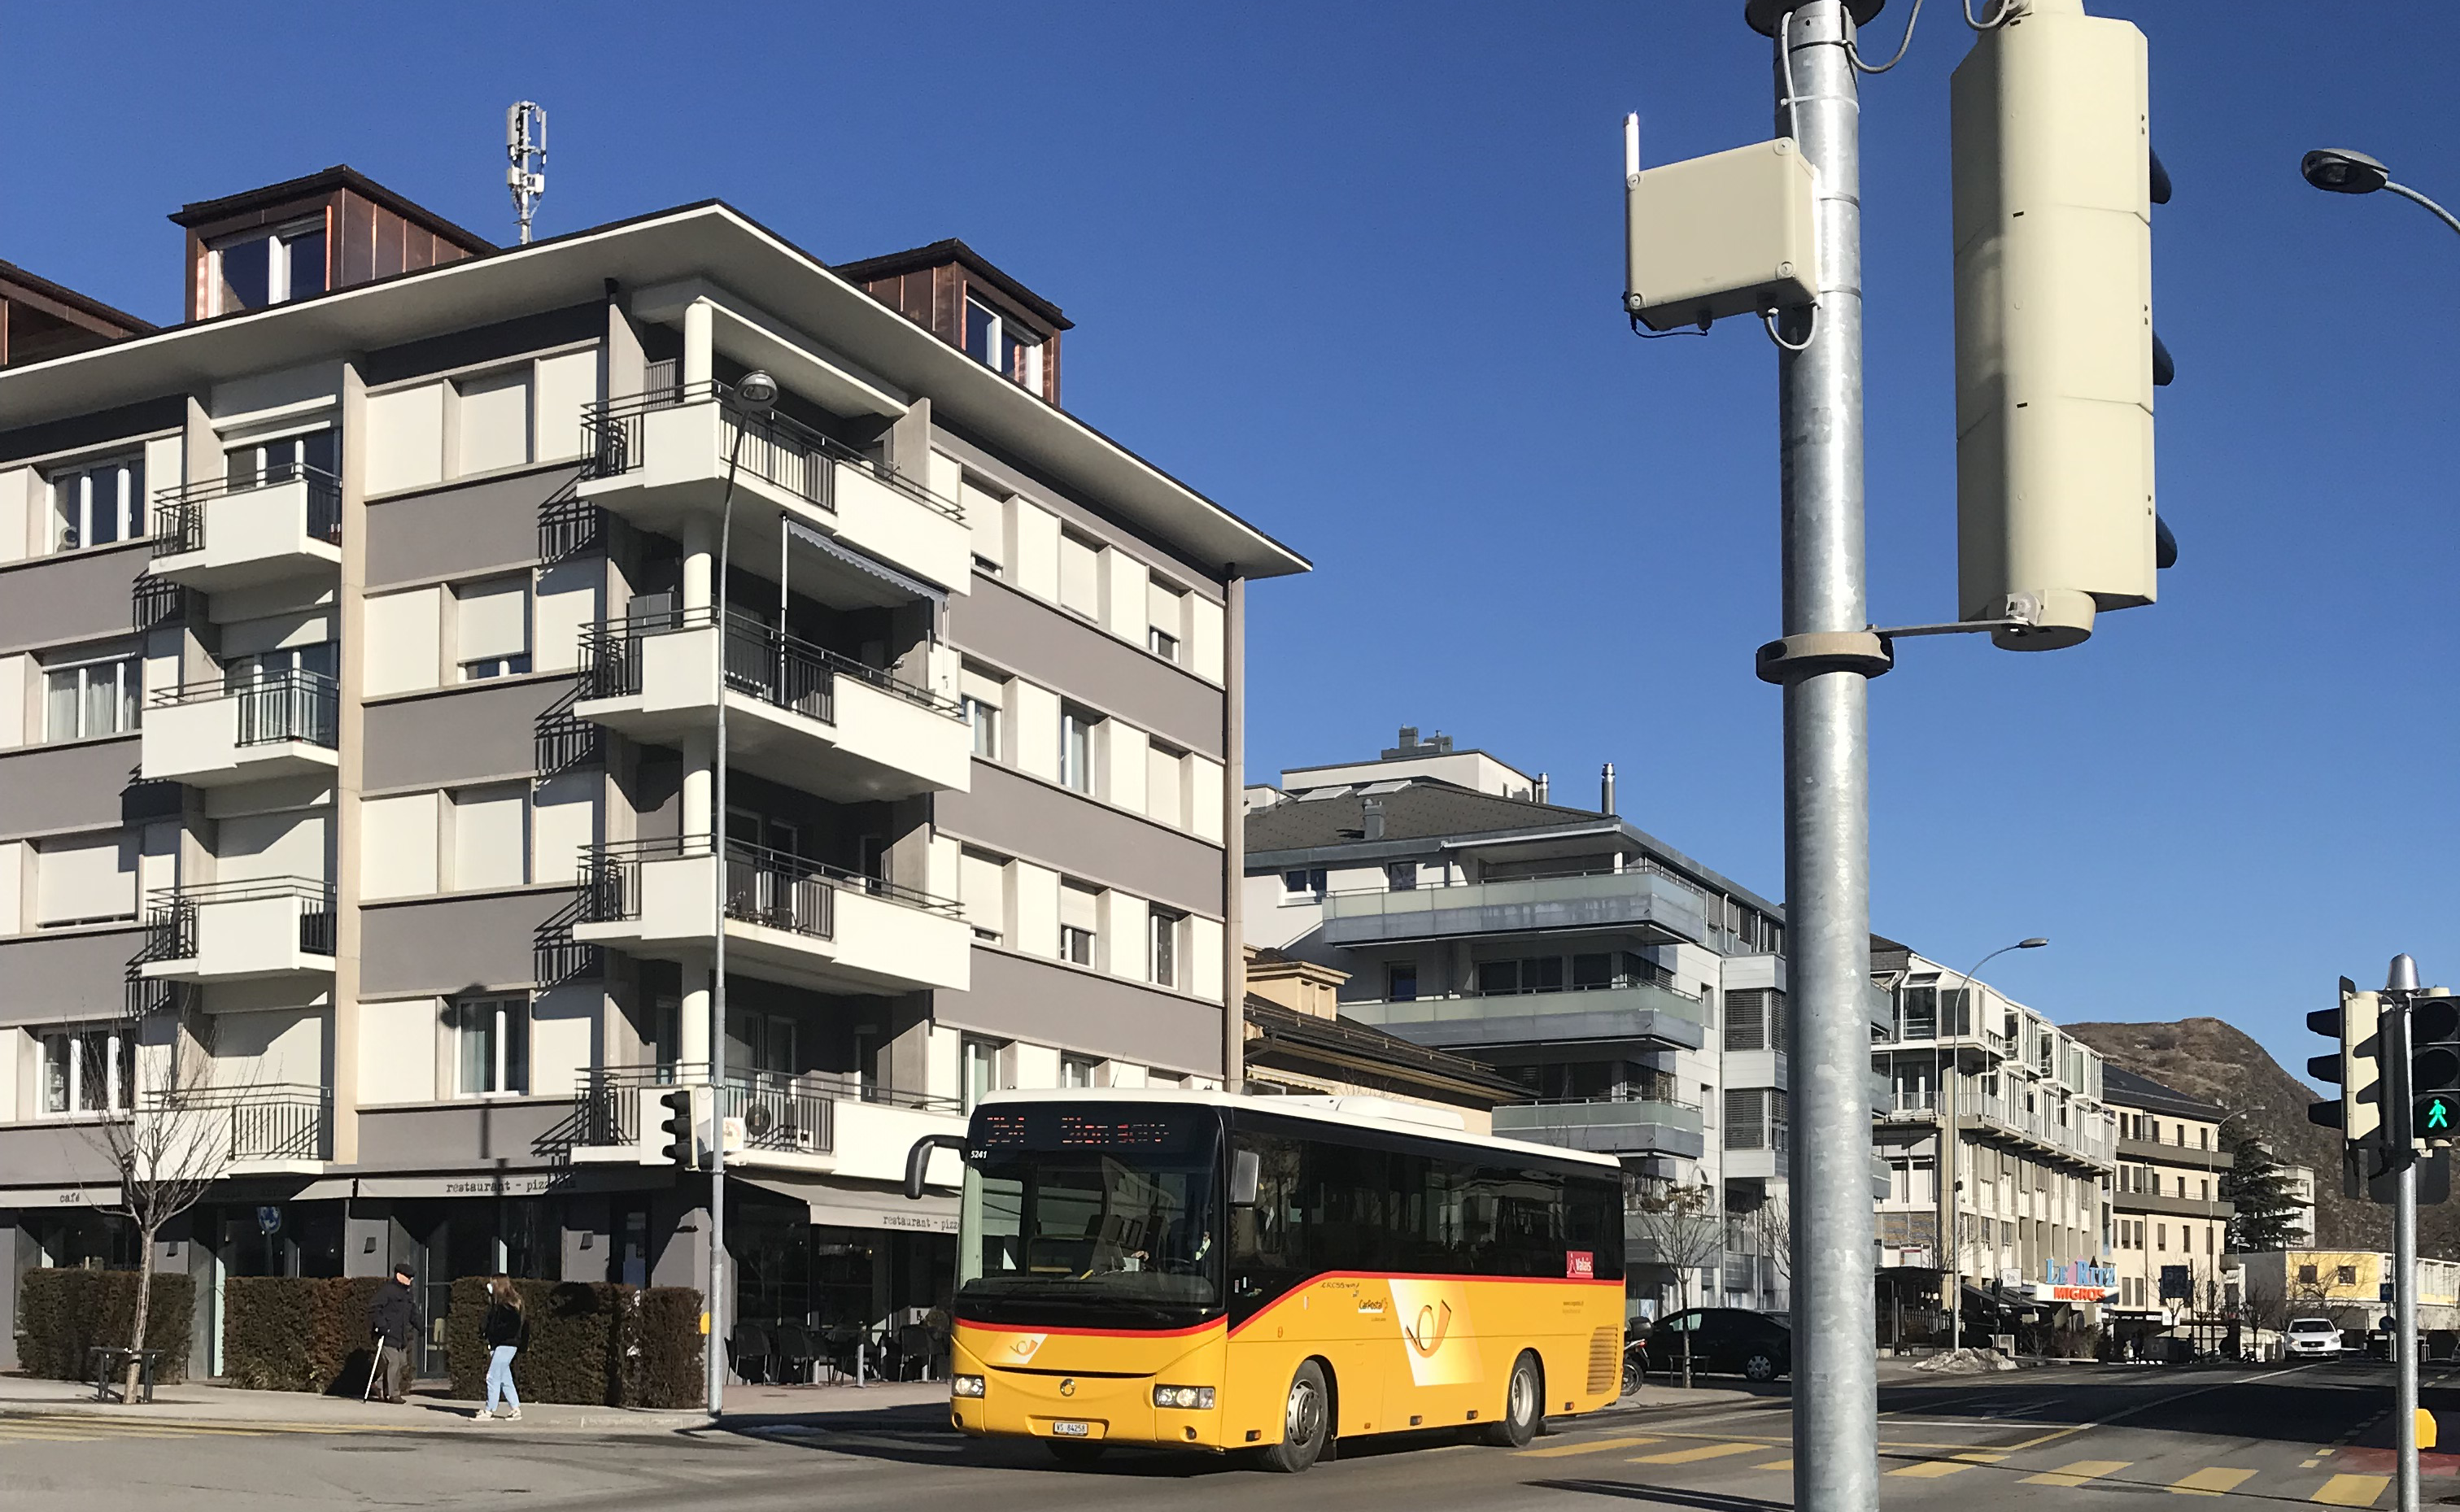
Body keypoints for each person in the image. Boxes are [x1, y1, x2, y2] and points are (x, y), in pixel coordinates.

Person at [369, 1263, 419, 1405]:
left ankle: (378, 1385)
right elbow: (374, 1308)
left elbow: (412, 1312)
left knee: (402, 1362)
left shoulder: (407, 1293)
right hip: (388, 1333)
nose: (411, 1280)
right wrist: (382, 1326)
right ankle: (393, 1394)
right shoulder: (388, 1291)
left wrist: (419, 1325)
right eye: (408, 1277)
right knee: (394, 1362)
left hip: (401, 1334)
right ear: (399, 1276)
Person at [479, 1276, 526, 1422]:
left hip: (505, 1344)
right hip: (501, 1344)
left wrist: (494, 1335)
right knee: (505, 1378)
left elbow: (511, 1328)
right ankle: (515, 1409)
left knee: (492, 1377)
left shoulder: (506, 1306)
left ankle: (489, 1410)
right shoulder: (500, 1304)